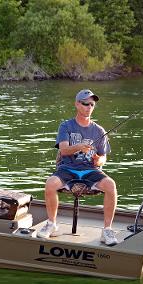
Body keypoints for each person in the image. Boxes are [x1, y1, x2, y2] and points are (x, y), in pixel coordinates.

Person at [37, 89, 118, 245]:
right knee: (50, 184)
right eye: (85, 103)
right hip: (67, 168)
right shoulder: (66, 126)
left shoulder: (99, 130)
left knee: (111, 185)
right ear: (77, 104)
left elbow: (103, 157)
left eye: (92, 104)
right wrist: (80, 146)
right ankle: (51, 223)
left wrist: (98, 161)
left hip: (90, 170)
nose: (89, 107)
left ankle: (107, 230)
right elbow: (63, 150)